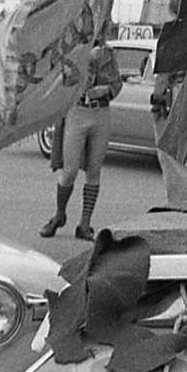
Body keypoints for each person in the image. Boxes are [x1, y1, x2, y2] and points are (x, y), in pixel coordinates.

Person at [40, 34, 122, 240]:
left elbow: (117, 83)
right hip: (78, 111)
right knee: (70, 170)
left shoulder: (108, 53)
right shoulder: (71, 51)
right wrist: (86, 59)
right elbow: (65, 81)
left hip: (100, 112)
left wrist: (108, 90)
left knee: (94, 169)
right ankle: (59, 215)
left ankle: (85, 224)